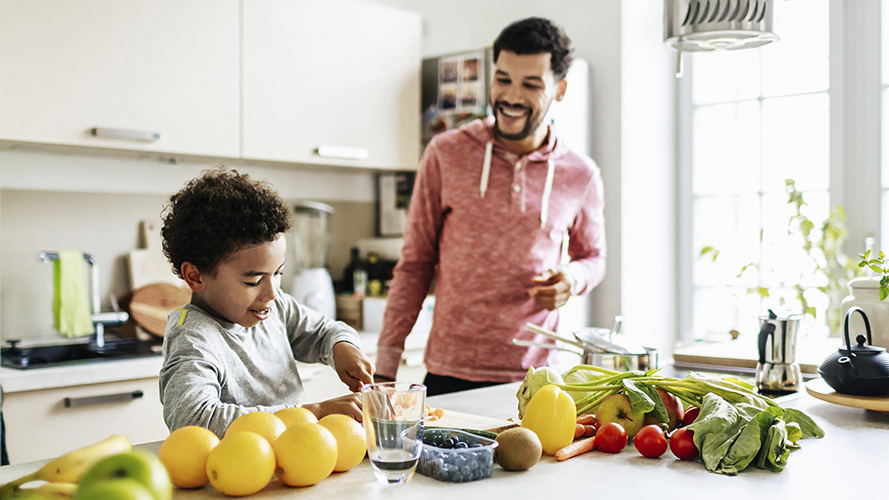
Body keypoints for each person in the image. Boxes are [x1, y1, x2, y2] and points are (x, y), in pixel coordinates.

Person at [375, 17, 606, 396]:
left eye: (531, 85)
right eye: (503, 79)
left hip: (536, 379)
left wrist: (572, 279)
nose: (511, 97)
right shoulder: (445, 154)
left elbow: (594, 257)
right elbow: (415, 264)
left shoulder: (580, 174)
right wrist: (384, 368)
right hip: (449, 374)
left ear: (560, 89)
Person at [158, 168, 374, 437]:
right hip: (235, 474)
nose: (271, 292)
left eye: (278, 273)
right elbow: (194, 420)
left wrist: (342, 347)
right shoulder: (193, 338)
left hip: (291, 463)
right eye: (253, 281)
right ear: (196, 276)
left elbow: (323, 332)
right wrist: (315, 413)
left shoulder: (275, 307)